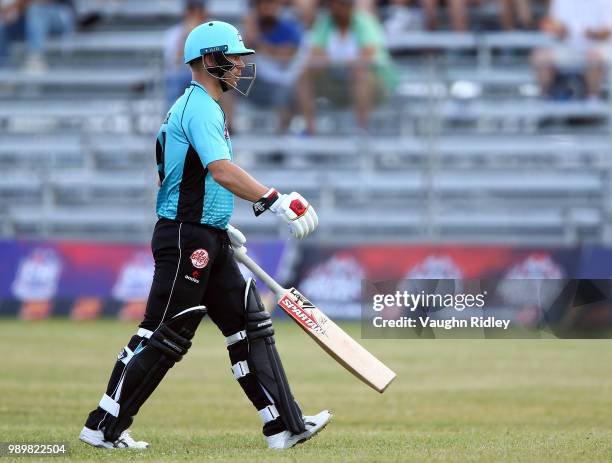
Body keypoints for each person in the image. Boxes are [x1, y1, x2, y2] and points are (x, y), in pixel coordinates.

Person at [79, 20, 330, 451]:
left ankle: (285, 425)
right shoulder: (199, 107)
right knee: (165, 334)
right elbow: (220, 170)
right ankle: (103, 426)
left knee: (250, 326)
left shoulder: (202, 107)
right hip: (185, 238)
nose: (241, 66)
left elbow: (191, 177)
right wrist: (275, 199)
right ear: (211, 60)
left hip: (202, 233)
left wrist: (217, 221)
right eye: (234, 58)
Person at [297, 0, 397, 134]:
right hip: (339, 84)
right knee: (304, 75)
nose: (336, 8)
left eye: (341, 4)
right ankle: (310, 130)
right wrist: (346, 61)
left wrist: (333, 60)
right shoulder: (325, 23)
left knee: (360, 73)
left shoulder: (365, 22)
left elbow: (368, 55)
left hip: (374, 85)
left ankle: (362, 130)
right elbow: (315, 54)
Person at [240, 0, 304, 133]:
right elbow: (244, 53)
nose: (268, 8)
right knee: (226, 78)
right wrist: (252, 29)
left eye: (271, 4)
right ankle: (228, 129)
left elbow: (287, 55)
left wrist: (263, 47)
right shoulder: (253, 29)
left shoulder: (289, 28)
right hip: (258, 83)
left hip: (282, 82)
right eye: (264, 5)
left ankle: (281, 136)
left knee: (283, 93)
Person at [531, 0, 612, 100]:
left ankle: (593, 101)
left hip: (596, 46)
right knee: (541, 57)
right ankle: (545, 98)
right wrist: (559, 30)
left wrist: (593, 34)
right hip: (566, 47)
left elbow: (608, 30)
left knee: (595, 57)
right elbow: (552, 25)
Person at [164, 0, 208, 107]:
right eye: (192, 10)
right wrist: (187, 35)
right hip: (182, 73)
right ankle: (173, 120)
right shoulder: (173, 33)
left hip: (206, 73)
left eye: (199, 10)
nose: (195, 14)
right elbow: (174, 62)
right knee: (175, 78)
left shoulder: (212, 31)